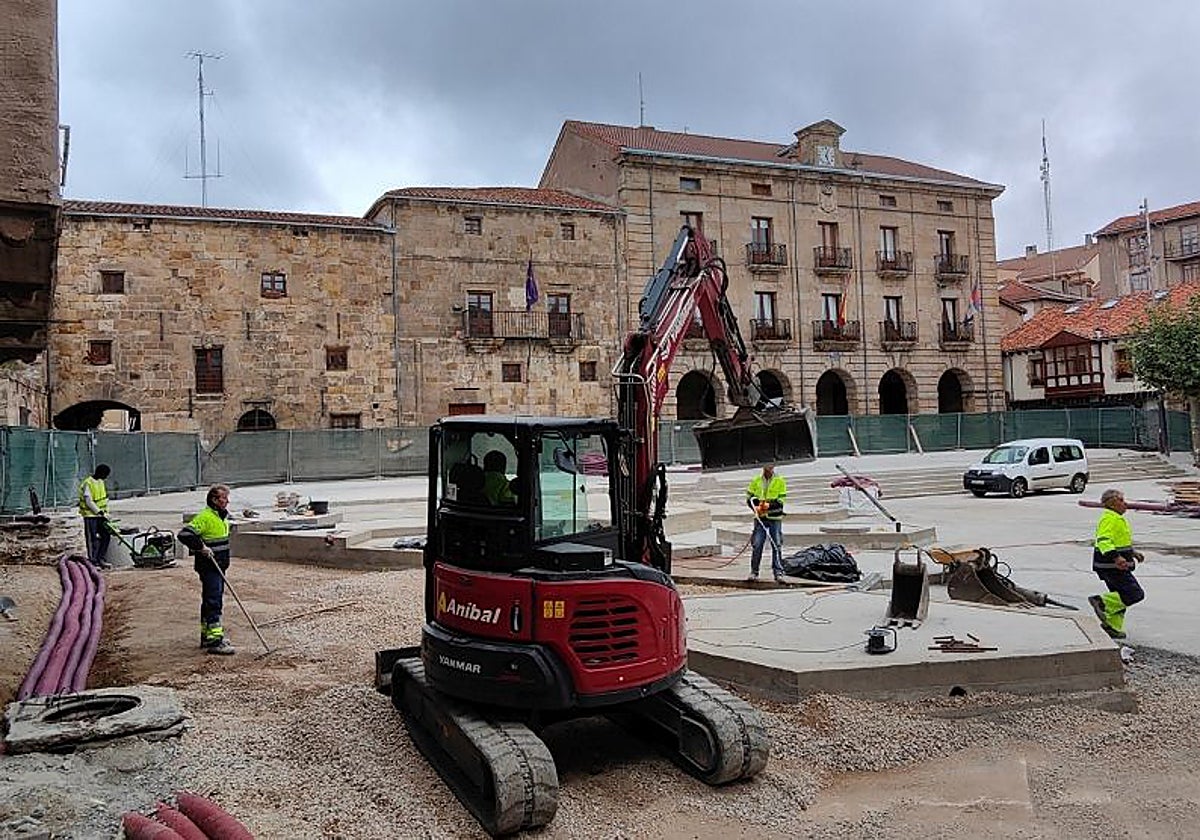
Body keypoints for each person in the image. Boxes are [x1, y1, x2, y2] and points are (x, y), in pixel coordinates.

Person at [178, 484, 235, 655]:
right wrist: (201, 547)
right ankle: (215, 641)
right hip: (209, 566)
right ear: (214, 500)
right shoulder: (205, 517)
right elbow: (185, 535)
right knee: (213, 601)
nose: (227, 501)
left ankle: (207, 635)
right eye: (223, 498)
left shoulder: (221, 517)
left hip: (219, 565)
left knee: (211, 600)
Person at [1088, 488, 1145, 640]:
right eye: (1121, 500)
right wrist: (1116, 558)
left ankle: (1112, 627)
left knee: (1120, 598)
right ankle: (1101, 602)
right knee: (1134, 594)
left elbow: (1119, 542)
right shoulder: (1109, 519)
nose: (1124, 504)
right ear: (1112, 504)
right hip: (1112, 566)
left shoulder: (1116, 518)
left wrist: (1132, 553)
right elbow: (1104, 540)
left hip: (1115, 565)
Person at [746, 464, 787, 582]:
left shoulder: (780, 481)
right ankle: (754, 572)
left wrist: (768, 506)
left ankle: (778, 573)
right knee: (757, 544)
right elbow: (749, 498)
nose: (769, 466)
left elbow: (781, 502)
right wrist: (756, 508)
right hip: (760, 518)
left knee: (776, 544)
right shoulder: (756, 481)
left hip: (775, 518)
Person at [78, 464, 113, 569]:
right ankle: (93, 561)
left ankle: (100, 558)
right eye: (105, 475)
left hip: (101, 515)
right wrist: (99, 512)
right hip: (90, 516)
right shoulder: (88, 483)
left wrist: (105, 513)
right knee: (92, 538)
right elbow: (89, 501)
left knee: (106, 535)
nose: (106, 477)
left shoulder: (101, 482)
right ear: (100, 473)